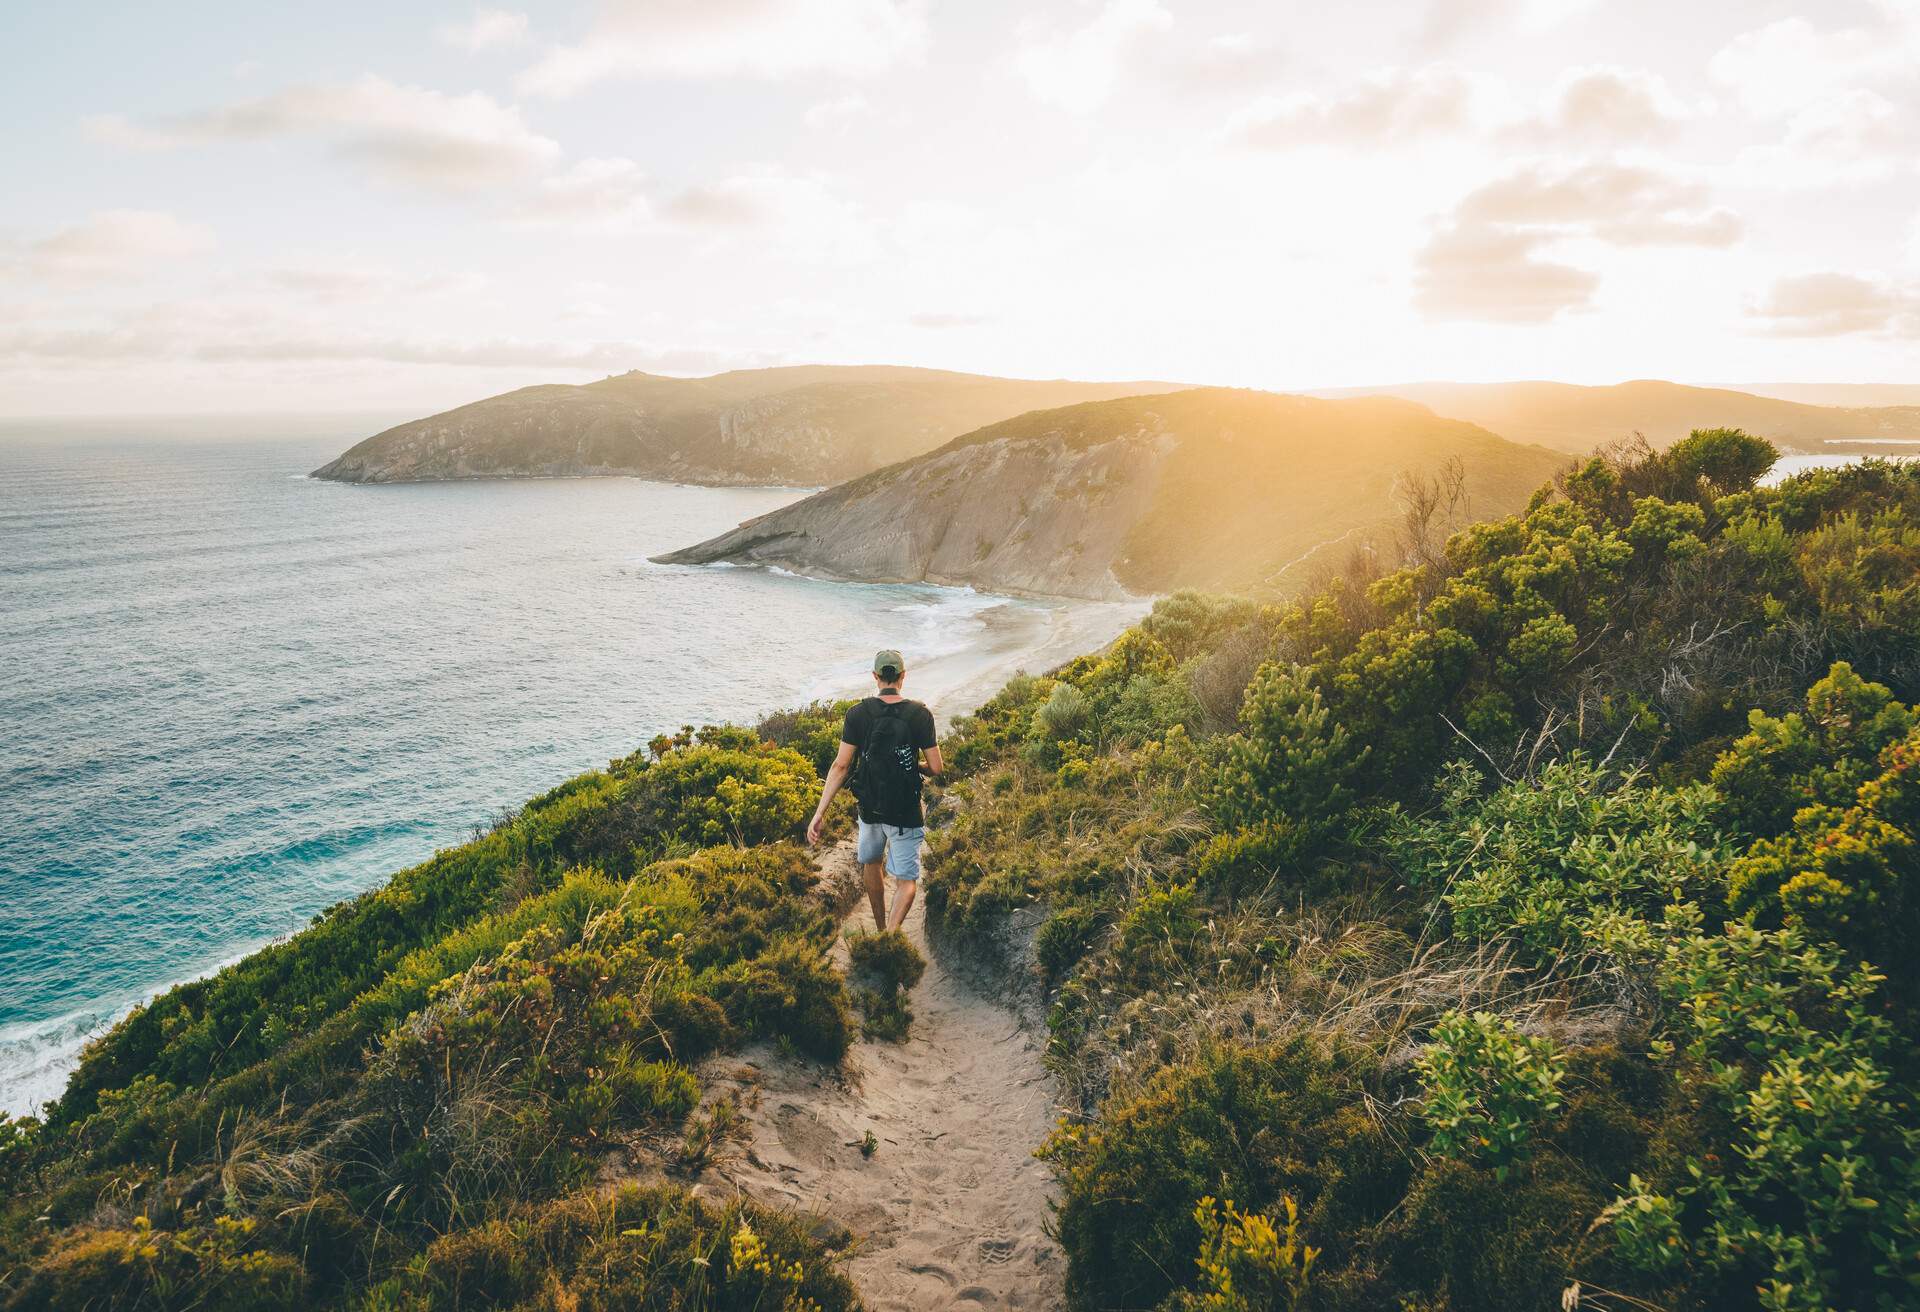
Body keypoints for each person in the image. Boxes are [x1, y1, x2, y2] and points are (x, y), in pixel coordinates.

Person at [806, 649, 942, 932]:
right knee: (906, 882)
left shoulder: (857, 714)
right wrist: (915, 766)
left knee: (871, 862)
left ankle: (881, 928)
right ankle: (891, 936)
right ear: (903, 677)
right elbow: (936, 767)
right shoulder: (920, 714)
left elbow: (840, 767)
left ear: (876, 677)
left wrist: (819, 813)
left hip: (870, 808)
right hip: (905, 810)